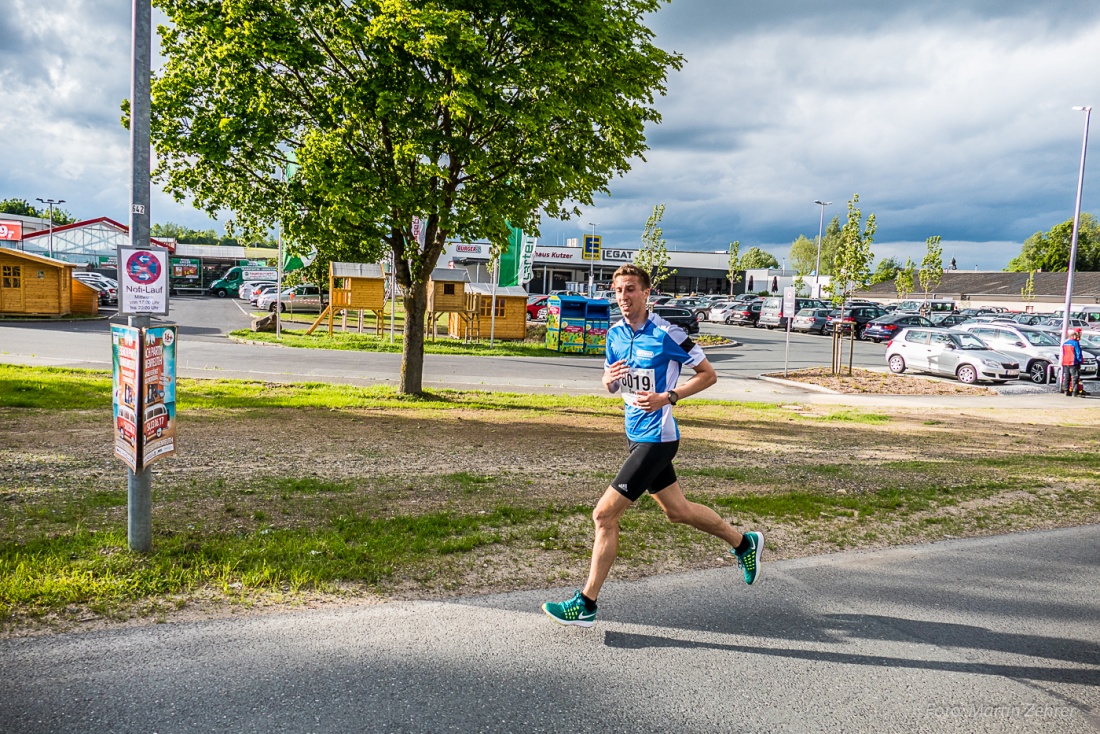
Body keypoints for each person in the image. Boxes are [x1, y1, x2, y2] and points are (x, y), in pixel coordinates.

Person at [542, 264, 764, 627]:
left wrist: (669, 396)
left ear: (646, 293)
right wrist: (609, 381)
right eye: (618, 291)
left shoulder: (667, 333)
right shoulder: (614, 334)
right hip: (634, 435)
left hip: (658, 439)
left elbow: (708, 374)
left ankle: (586, 603)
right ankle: (743, 543)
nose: (623, 297)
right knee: (677, 510)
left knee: (603, 515)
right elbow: (610, 380)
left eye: (630, 289)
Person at [1061, 328, 1087, 397]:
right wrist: (1080, 360)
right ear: (1074, 336)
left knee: (1067, 377)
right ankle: (1075, 392)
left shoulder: (1065, 343)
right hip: (1073, 362)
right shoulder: (1075, 343)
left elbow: (1063, 353)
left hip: (1065, 362)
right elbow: (1078, 353)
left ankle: (1066, 391)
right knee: (1075, 377)